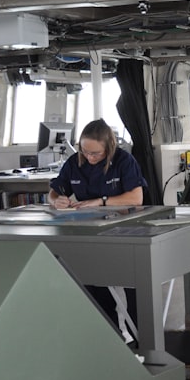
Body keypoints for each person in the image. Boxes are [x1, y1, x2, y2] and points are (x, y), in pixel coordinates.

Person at [48, 118, 147, 341]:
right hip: (90, 232)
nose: (90, 158)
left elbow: (136, 197)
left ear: (109, 148)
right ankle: (110, 339)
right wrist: (57, 201)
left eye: (96, 154)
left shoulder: (124, 161)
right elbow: (54, 191)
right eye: (86, 152)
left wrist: (101, 201)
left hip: (126, 231)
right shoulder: (75, 161)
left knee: (133, 287)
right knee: (95, 284)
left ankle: (141, 340)